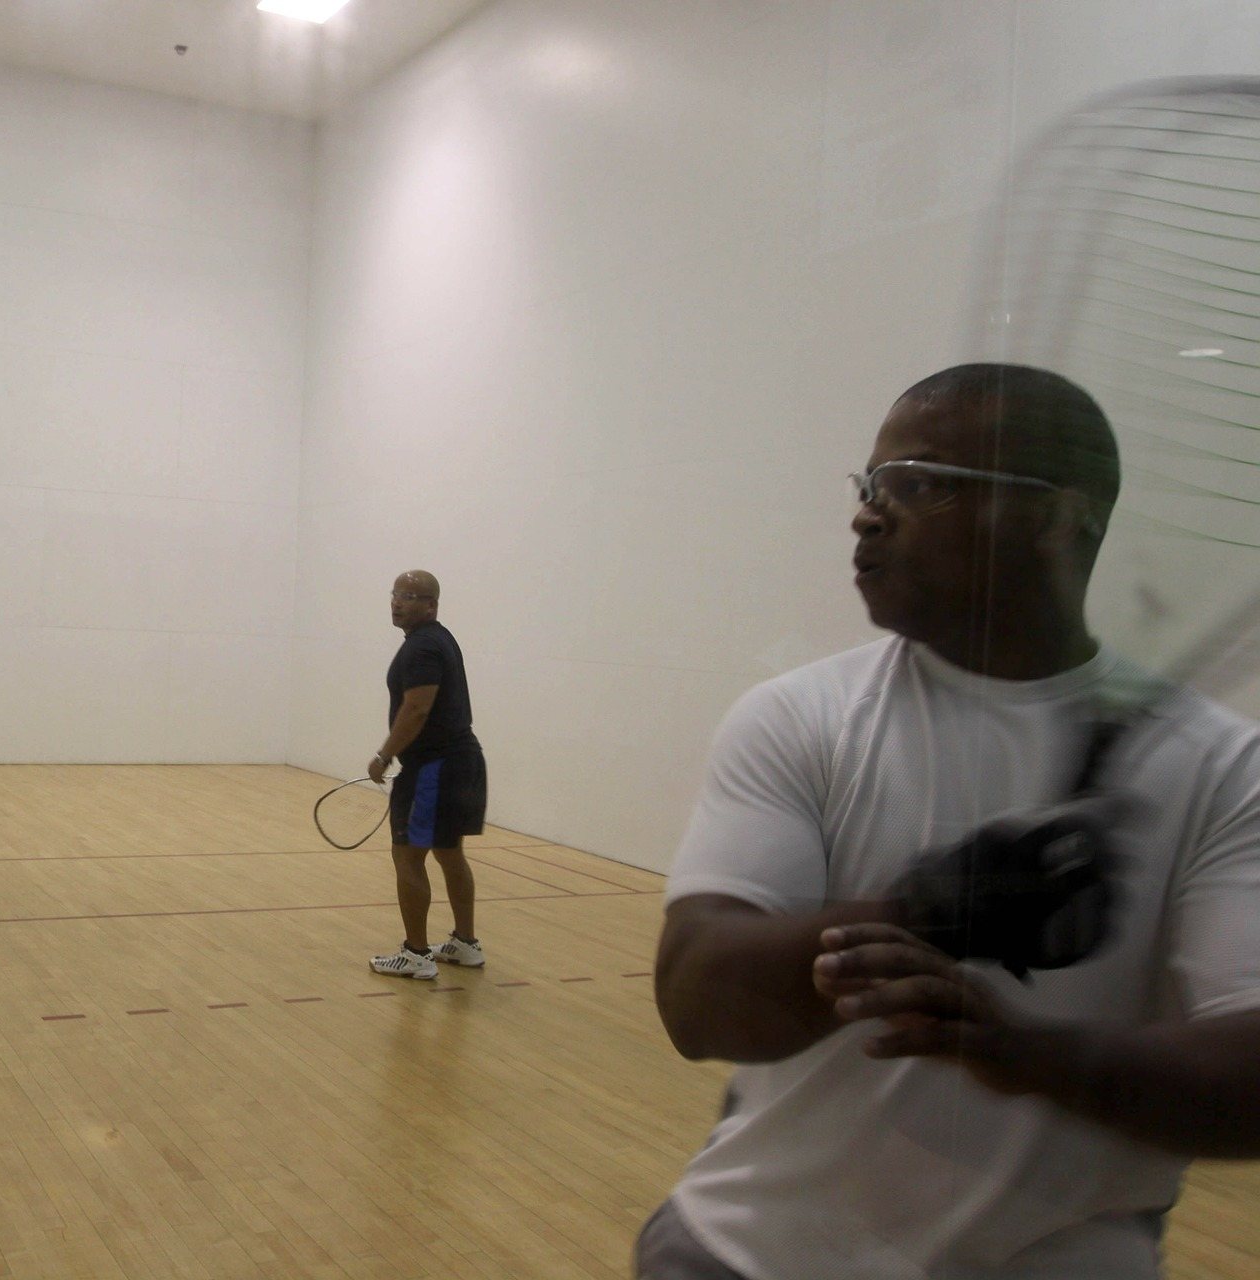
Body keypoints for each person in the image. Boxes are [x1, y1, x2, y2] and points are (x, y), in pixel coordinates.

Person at [642, 364, 1260, 1279]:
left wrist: (1023, 1051)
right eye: (869, 485)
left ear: (1058, 517)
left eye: (919, 485)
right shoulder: (799, 719)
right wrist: (919, 912)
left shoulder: (1224, 770)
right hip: (745, 1257)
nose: (866, 514)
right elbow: (696, 1002)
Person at [366, 570, 490, 979]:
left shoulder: (422, 648)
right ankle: (465, 944)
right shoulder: (440, 638)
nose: (398, 602)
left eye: (410, 596)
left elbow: (416, 708)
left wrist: (385, 756)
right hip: (460, 762)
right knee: (448, 851)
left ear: (431, 604)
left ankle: (416, 953)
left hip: (434, 770)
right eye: (396, 594)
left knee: (408, 854)